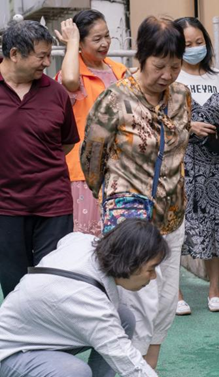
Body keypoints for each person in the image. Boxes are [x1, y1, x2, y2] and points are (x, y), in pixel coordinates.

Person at [0, 219, 213, 377]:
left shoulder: (85, 242)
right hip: (9, 355)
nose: (153, 277)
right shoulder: (89, 305)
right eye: (150, 268)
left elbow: (66, 241)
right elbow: (134, 368)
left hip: (41, 336)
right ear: (129, 264)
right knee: (75, 376)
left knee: (124, 317)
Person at [80, 16, 191, 377]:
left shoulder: (181, 96)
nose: (167, 75)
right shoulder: (115, 99)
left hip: (171, 213)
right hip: (130, 219)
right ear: (141, 58)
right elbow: (91, 158)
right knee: (139, 306)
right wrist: (111, 197)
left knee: (164, 303)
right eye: (159, 66)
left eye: (174, 66)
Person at [0, 20, 79, 297]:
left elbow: (66, 142)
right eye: (41, 56)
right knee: (14, 285)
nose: (47, 62)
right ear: (14, 54)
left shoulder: (56, 92)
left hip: (53, 203)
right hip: (6, 207)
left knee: (52, 282)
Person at [173, 16, 219, 315]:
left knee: (215, 223)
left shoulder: (217, 76)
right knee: (176, 226)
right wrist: (188, 126)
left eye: (199, 42)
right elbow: (158, 119)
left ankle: (215, 290)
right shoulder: (170, 76)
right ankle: (175, 293)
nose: (194, 48)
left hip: (212, 165)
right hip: (179, 164)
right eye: (187, 44)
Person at [55, 10, 128, 236]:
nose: (105, 43)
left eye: (107, 36)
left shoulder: (119, 71)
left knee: (117, 239)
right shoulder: (74, 73)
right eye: (97, 39)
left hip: (120, 169)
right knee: (86, 241)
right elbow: (69, 80)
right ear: (80, 42)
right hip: (85, 171)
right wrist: (72, 42)